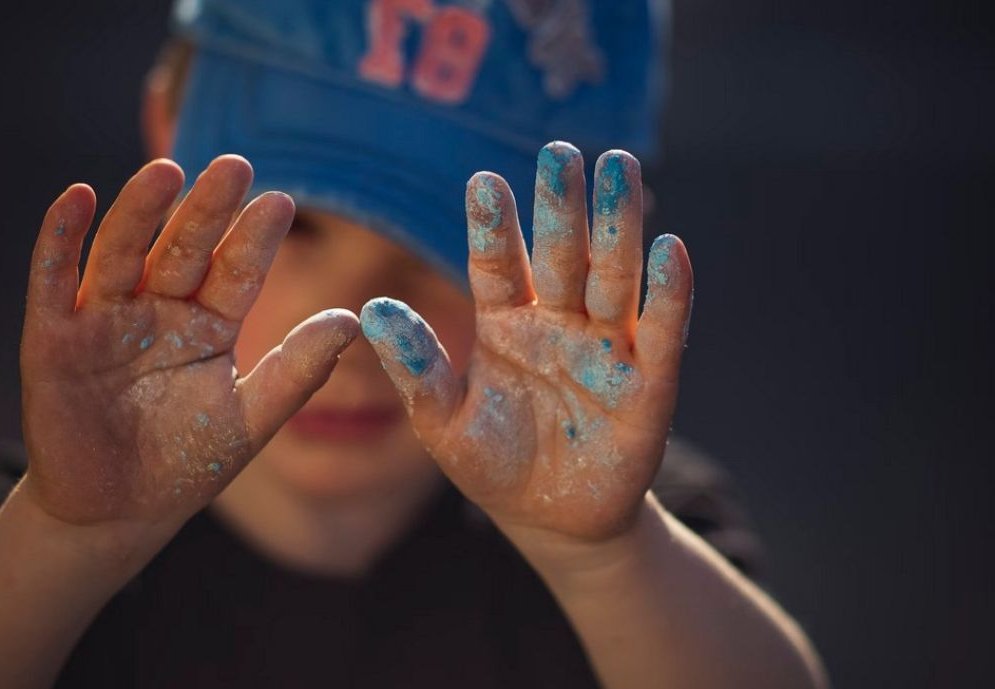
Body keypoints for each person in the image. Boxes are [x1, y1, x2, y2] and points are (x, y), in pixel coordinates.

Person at [0, 1, 828, 687]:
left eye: (455, 245)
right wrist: (67, 541)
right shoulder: (36, 524)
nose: (358, 326)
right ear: (165, 128)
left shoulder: (631, 543)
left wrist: (603, 561)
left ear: (597, 246)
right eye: (296, 227)